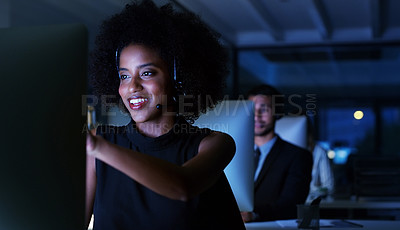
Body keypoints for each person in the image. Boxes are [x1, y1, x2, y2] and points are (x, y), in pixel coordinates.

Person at [85, 1, 245, 229]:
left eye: (147, 73)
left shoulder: (214, 144)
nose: (132, 87)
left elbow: (183, 186)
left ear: (179, 79)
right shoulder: (98, 145)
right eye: (124, 76)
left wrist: (98, 148)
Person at [241, 84, 313, 222]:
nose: (257, 116)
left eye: (264, 109)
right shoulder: (235, 153)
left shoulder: (298, 156)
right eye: (252, 110)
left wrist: (254, 214)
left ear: (277, 113)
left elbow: (291, 205)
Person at [306, 118, 335, 201]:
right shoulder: (284, 153)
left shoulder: (319, 152)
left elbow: (329, 187)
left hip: (310, 204)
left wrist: (311, 190)